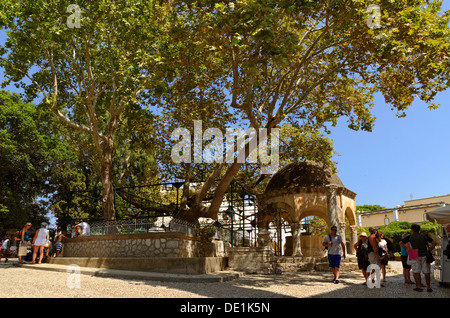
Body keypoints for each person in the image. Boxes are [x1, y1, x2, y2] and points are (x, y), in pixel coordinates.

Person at [400, 224, 437, 292]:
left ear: (412, 230)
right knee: (426, 271)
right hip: (424, 253)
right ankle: (429, 287)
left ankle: (419, 286)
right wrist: (429, 250)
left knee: (416, 271)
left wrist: (407, 248)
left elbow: (400, 243)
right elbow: (434, 242)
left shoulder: (410, 237)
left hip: (414, 253)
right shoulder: (424, 236)